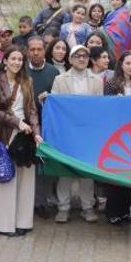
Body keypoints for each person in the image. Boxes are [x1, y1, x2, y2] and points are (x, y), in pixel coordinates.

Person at [0, 45, 41, 236]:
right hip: (5, 133)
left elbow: (32, 109)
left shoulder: (27, 80)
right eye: (13, 59)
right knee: (6, 177)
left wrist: (36, 132)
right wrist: (17, 122)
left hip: (25, 134)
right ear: (5, 60)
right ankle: (4, 225)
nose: (17, 62)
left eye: (20, 59)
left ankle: (23, 222)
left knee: (26, 179)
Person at [50, 45, 103, 223]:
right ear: (70, 59)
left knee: (86, 171)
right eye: (77, 56)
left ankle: (87, 207)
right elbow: (55, 105)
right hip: (67, 132)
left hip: (88, 133)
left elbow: (100, 107)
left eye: (85, 56)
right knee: (65, 171)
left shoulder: (97, 80)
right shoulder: (59, 79)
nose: (81, 59)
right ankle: (63, 207)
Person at [104, 51, 131, 225]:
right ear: (121, 64)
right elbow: (105, 107)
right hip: (116, 136)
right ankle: (113, 211)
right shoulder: (111, 83)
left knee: (129, 174)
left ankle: (125, 211)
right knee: (115, 175)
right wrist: (116, 102)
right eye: (127, 63)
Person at [25, 37, 60, 218]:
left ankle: (44, 201)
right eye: (33, 49)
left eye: (39, 49)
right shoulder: (22, 69)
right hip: (25, 125)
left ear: (45, 50)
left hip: (47, 126)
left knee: (44, 165)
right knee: (29, 166)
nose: (36, 53)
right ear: (27, 51)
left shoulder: (53, 72)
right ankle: (30, 202)